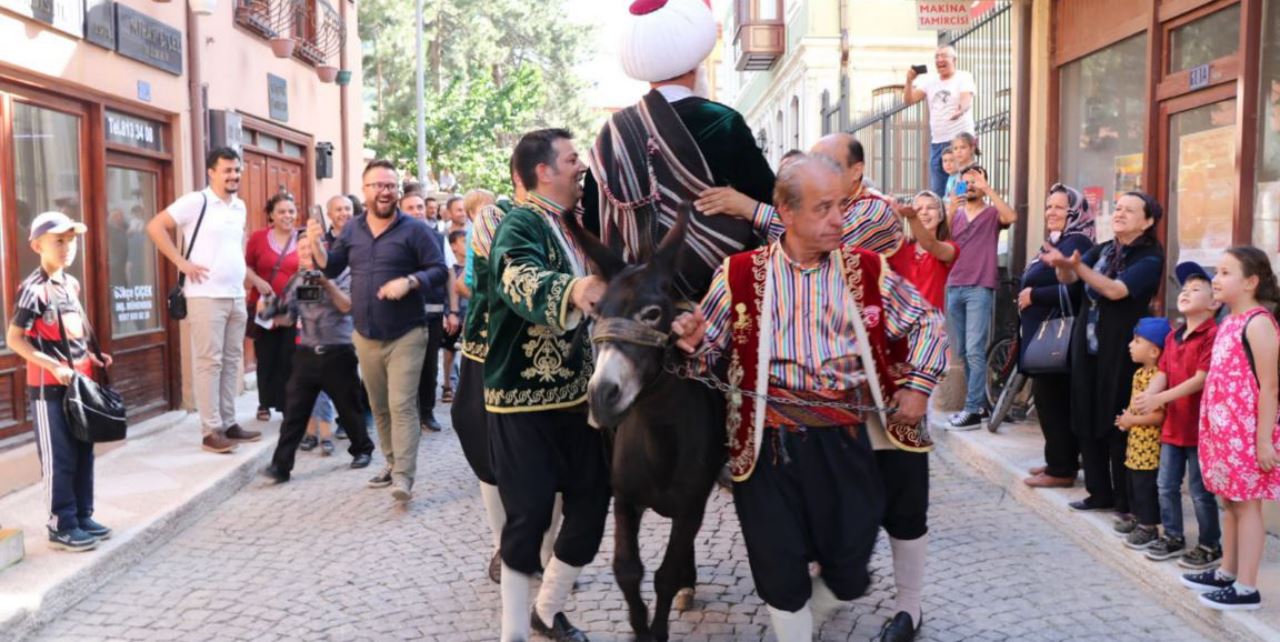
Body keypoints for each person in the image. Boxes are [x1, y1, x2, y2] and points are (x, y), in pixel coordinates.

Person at [671, 154, 946, 642]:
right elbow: (704, 349)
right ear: (786, 211)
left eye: (840, 205)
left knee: (850, 571)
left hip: (847, 440)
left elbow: (925, 320)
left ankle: (880, 604)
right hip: (766, 444)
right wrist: (689, 338)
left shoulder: (867, 269)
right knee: (777, 566)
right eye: (824, 208)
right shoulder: (736, 274)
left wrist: (918, 385)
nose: (839, 219)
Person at [487, 129, 609, 642]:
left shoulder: (576, 224)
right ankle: (512, 633)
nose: (579, 165)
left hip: (578, 397)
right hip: (522, 399)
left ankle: (548, 608)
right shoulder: (520, 222)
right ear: (543, 171)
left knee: (593, 501)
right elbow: (517, 278)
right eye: (570, 158)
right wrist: (576, 288)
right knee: (529, 516)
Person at [584, 0, 775, 300]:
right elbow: (770, 204)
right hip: (721, 298)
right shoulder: (723, 122)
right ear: (695, 65)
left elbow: (593, 223)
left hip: (641, 304)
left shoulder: (612, 133)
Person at [307, 160, 448, 502]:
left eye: (390, 185)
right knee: (379, 405)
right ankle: (390, 462)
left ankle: (404, 477)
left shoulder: (415, 231)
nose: (384, 191)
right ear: (365, 190)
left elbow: (440, 270)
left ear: (396, 191)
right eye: (377, 185)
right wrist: (315, 246)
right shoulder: (352, 230)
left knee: (401, 405)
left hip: (408, 333)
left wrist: (410, 281)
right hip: (366, 334)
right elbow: (332, 265)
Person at [1043, 192, 1165, 514]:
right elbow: (1071, 278)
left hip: (1123, 349)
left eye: (1130, 210)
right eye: (1118, 208)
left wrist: (1077, 267)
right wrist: (1063, 267)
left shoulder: (1150, 256)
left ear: (1148, 221)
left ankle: (1126, 501)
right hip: (1088, 345)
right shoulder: (1107, 248)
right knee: (1084, 414)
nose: (1120, 213)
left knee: (1116, 421)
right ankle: (1099, 493)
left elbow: (1115, 290)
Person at [1182, 246, 1280, 611]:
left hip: (1246, 433)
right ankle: (1227, 571)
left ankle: (1246, 587)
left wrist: (1263, 442)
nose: (1215, 280)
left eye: (1225, 273)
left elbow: (1269, 387)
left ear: (1251, 282)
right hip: (1223, 432)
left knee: (1246, 506)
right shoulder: (1228, 321)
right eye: (1216, 272)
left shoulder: (1258, 323)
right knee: (1230, 503)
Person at [8, 212, 113, 551]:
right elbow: (14, 340)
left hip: (79, 386)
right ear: (37, 245)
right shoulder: (32, 290)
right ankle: (61, 524)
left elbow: (71, 333)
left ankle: (82, 516)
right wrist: (51, 366)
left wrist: (93, 357)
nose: (68, 247)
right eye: (59, 240)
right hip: (48, 391)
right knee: (60, 458)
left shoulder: (70, 284)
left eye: (72, 240)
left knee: (84, 453)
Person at [147, 147, 261, 454]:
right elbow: (155, 226)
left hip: (235, 295)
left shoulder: (239, 206)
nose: (234, 175)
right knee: (209, 362)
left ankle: (229, 422)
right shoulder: (196, 201)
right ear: (211, 172)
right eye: (227, 170)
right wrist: (181, 263)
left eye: (237, 170)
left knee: (232, 362)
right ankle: (211, 431)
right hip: (205, 296)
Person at [262, 235, 376, 483]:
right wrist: (269, 311)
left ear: (322, 249)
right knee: (294, 413)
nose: (304, 252)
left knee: (349, 408)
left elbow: (347, 306)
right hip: (306, 354)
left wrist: (326, 283)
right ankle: (280, 467)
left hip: (338, 352)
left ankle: (362, 449)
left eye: (309, 247)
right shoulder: (297, 280)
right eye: (301, 248)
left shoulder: (342, 273)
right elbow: (290, 318)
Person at [1130, 262, 1221, 566]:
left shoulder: (1213, 335)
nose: (1186, 293)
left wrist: (1158, 397)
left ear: (1214, 303)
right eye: (1183, 289)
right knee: (1165, 484)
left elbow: (1200, 379)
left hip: (1199, 428)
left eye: (1196, 289)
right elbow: (1164, 372)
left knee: (1199, 491)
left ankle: (1210, 544)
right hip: (1173, 425)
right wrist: (1148, 396)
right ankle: (1173, 536)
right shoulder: (1173, 336)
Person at [698, 133, 904, 258]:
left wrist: (749, 208)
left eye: (828, 162)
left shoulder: (877, 210)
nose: (817, 169)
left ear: (857, 171)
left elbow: (825, 239)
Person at [1020, 184, 1094, 488]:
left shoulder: (1077, 242)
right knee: (1050, 399)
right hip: (1046, 336)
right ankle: (1058, 460)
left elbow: (1076, 288)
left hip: (1057, 338)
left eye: (1059, 208)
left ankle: (1061, 469)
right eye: (1049, 206)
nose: (1051, 212)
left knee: (1053, 401)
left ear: (1075, 213)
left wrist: (1034, 294)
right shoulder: (1059, 240)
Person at [944, 165, 1017, 429]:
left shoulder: (991, 214)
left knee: (974, 350)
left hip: (979, 286)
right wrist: (951, 208)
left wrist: (988, 190)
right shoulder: (956, 212)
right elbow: (942, 239)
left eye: (975, 181)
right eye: (965, 182)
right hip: (954, 286)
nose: (970, 185)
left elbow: (1011, 216)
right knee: (963, 351)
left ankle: (973, 409)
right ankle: (980, 406)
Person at [400, 191, 459, 433]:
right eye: (411, 208)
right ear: (402, 211)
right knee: (404, 367)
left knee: (428, 366)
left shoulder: (438, 238)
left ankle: (427, 413)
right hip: (401, 315)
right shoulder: (394, 238)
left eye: (419, 207)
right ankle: (407, 416)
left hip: (432, 314)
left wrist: (453, 310)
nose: (416, 211)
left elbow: (450, 274)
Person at [1112, 317, 1170, 551]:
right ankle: (1137, 518)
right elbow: (1135, 405)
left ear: (1155, 350)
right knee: (1133, 484)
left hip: (1150, 445)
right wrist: (1127, 419)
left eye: (1137, 341)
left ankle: (1149, 526)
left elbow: (1159, 416)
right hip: (1135, 442)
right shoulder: (1139, 374)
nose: (1130, 345)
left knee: (1146, 486)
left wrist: (1132, 420)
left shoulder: (1158, 377)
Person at [245, 193, 300, 422]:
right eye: (281, 212)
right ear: (271, 215)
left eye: (291, 211)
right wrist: (257, 282)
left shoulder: (303, 238)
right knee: (266, 356)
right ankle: (264, 403)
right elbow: (246, 265)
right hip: (264, 306)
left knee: (290, 356)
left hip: (292, 308)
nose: (287, 216)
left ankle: (288, 404)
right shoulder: (258, 238)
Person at [904, 45, 977, 197]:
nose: (939, 60)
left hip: (958, 142)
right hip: (938, 142)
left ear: (954, 60)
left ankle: (961, 215)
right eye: (937, 57)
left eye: (944, 56)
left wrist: (960, 110)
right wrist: (909, 81)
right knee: (938, 189)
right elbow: (909, 100)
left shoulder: (964, 76)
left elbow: (966, 99)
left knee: (961, 185)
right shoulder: (930, 81)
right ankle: (943, 217)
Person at [890, 190, 956, 309]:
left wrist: (912, 217)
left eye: (930, 208)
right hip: (903, 321)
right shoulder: (902, 248)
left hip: (931, 323)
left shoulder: (950, 248)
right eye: (919, 209)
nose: (924, 212)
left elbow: (929, 244)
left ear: (941, 215)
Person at [440, 230, 469, 402]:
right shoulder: (449, 269)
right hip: (452, 315)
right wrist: (447, 313)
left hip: (469, 315)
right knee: (449, 350)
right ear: (453, 246)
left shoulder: (472, 267)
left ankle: (465, 385)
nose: (468, 244)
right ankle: (447, 384)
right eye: (464, 241)